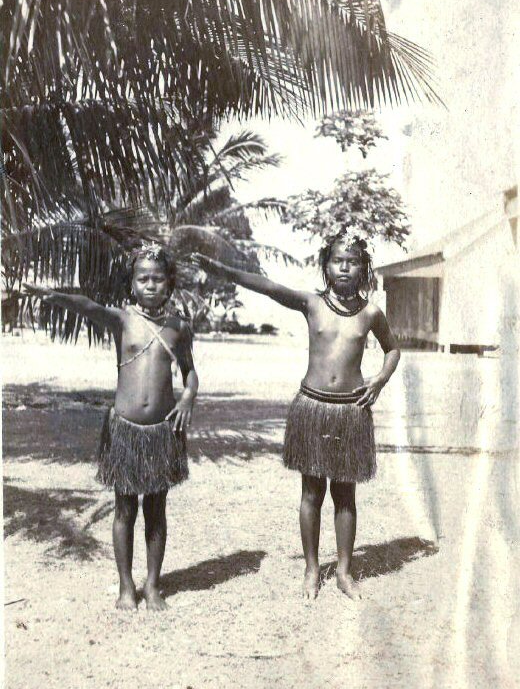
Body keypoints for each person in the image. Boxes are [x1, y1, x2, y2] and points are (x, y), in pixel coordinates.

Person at [194, 232, 400, 600]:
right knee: (311, 492)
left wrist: (380, 380)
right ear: (326, 266)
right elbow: (268, 287)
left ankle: (344, 572)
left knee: (345, 494)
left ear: (363, 268)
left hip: (350, 411)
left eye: (352, 261)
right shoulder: (311, 303)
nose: (344, 267)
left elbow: (393, 349)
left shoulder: (370, 313)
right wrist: (223, 270)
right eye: (337, 260)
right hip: (312, 407)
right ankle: (311, 568)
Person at [23, 243, 198, 611]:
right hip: (125, 431)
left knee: (156, 510)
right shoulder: (122, 320)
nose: (150, 285)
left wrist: (188, 396)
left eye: (158, 279)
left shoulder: (179, 328)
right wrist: (56, 296)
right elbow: (89, 307)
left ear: (169, 284)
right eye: (142, 278)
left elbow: (190, 372)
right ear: (132, 284)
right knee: (124, 509)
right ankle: (125, 585)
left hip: (162, 431)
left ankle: (153, 585)